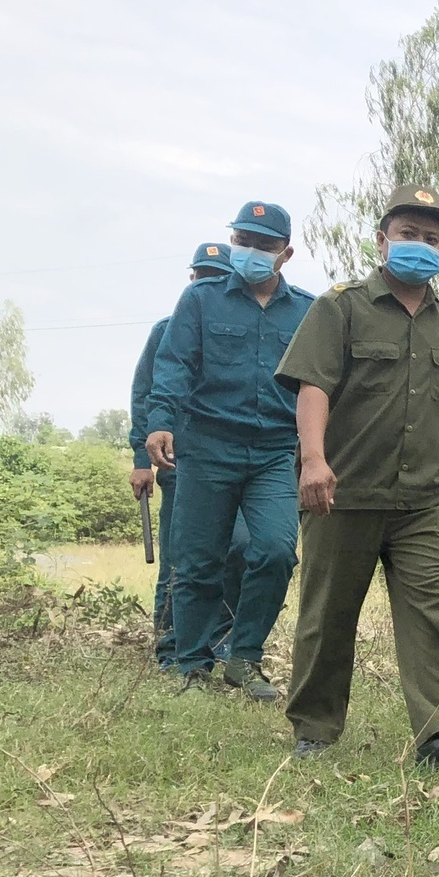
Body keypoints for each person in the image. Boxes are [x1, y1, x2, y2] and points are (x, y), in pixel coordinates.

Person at [274, 185, 439, 771]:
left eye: (432, 239)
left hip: (428, 498)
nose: (419, 246)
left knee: (435, 612)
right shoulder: (339, 307)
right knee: (328, 613)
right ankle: (315, 728)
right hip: (342, 492)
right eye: (408, 234)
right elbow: (313, 386)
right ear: (382, 240)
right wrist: (314, 460)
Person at [145, 201, 315, 701]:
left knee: (277, 550)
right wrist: (160, 423)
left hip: (274, 451)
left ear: (285, 254)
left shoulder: (308, 310)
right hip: (207, 445)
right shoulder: (200, 299)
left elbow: (321, 384)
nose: (251, 252)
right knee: (197, 562)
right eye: (244, 241)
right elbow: (173, 363)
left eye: (264, 245)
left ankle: (244, 658)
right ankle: (191, 663)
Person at [130, 241, 250, 671]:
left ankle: (217, 641)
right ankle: (170, 646)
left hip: (226, 459)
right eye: (204, 275)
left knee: (239, 548)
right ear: (192, 278)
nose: (211, 283)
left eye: (220, 276)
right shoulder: (168, 329)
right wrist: (141, 461)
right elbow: (145, 396)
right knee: (180, 555)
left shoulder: (244, 325)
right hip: (175, 463)